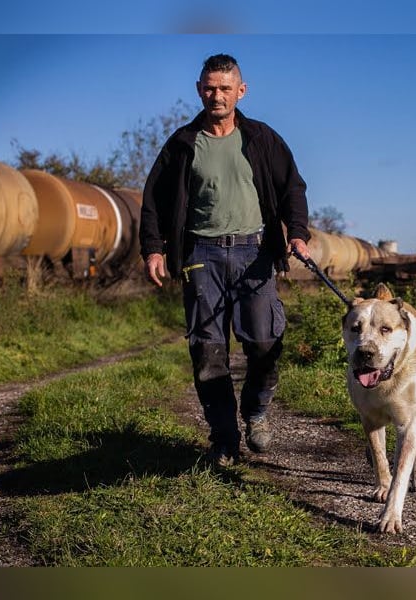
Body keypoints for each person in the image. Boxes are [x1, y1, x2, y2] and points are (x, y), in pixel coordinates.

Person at [140, 53, 311, 467]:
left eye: (225, 88)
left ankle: (256, 411)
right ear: (199, 90)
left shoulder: (261, 138)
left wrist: (298, 233)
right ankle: (224, 438)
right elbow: (153, 200)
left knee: (265, 342)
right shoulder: (183, 143)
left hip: (255, 254)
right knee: (208, 351)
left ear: (241, 91)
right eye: (209, 88)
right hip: (202, 255)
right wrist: (153, 248)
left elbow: (292, 188)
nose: (217, 95)